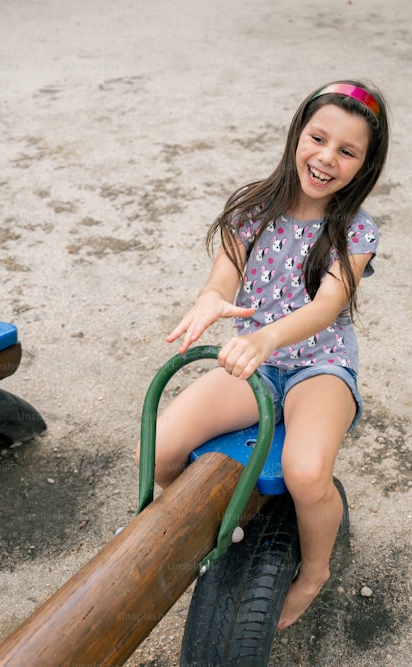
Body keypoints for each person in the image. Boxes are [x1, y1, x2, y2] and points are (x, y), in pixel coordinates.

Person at [140, 80, 390, 631]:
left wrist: (267, 337)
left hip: (316, 365)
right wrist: (210, 299)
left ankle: (316, 570)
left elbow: (328, 306)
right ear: (297, 135)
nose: (326, 158)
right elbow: (222, 278)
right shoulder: (253, 206)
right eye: (318, 138)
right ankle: (215, 523)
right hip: (255, 362)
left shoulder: (355, 230)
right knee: (160, 446)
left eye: (347, 151)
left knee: (305, 471)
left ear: (365, 165)